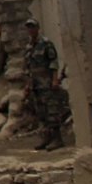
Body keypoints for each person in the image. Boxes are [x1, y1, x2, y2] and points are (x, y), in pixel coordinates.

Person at [23, 18, 66, 150]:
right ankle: (46, 138)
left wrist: (54, 80)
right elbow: (28, 68)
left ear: (37, 28)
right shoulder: (29, 47)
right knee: (40, 113)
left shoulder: (46, 43)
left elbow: (53, 62)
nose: (30, 30)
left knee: (51, 111)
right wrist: (27, 85)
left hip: (46, 82)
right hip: (35, 85)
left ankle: (57, 139)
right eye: (28, 27)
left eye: (32, 27)